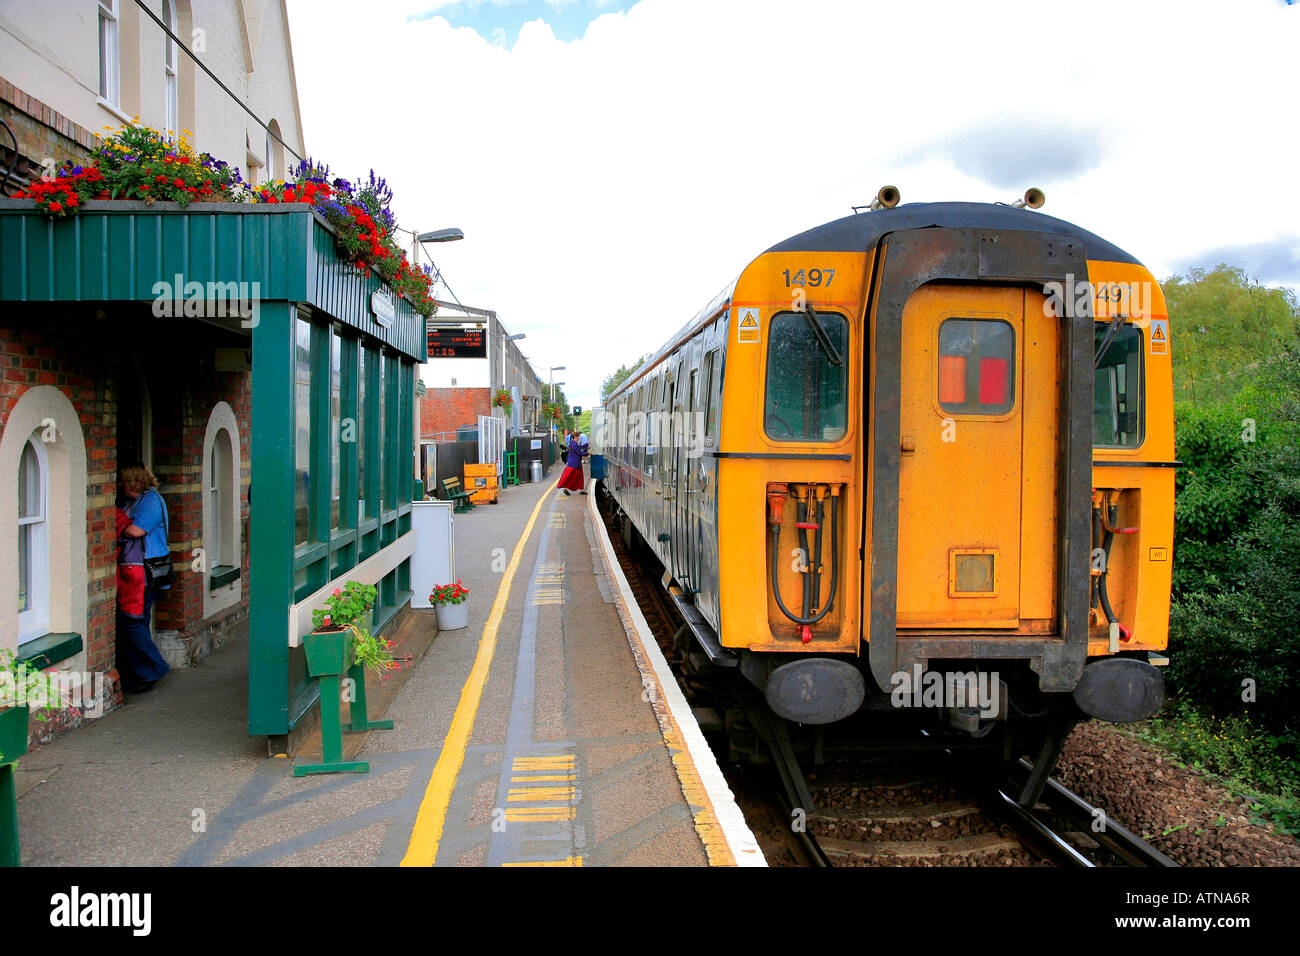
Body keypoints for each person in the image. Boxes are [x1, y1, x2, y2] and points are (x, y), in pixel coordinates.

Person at [116, 462, 171, 693]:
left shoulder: (150, 500)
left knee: (133, 622)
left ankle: (153, 668)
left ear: (139, 481)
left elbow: (136, 531)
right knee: (136, 621)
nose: (122, 486)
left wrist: (116, 517)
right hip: (134, 569)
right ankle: (140, 673)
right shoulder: (131, 502)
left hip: (147, 571)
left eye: (127, 481)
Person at [556, 428, 588, 496]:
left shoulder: (574, 443)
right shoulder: (574, 444)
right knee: (571, 477)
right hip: (574, 464)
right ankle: (566, 489)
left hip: (576, 464)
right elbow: (579, 452)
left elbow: (580, 448)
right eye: (578, 437)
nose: (579, 438)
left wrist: (586, 445)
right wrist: (588, 453)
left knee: (578, 477)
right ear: (575, 437)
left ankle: (581, 490)